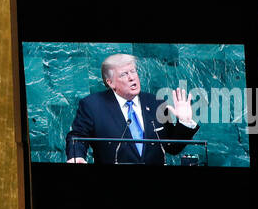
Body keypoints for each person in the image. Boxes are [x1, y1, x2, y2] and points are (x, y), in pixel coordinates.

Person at [66, 52, 199, 165]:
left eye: (133, 71)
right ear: (110, 82)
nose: (132, 77)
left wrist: (184, 122)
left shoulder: (156, 103)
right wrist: (76, 156)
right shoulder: (93, 105)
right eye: (124, 74)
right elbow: (77, 136)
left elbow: (172, 147)